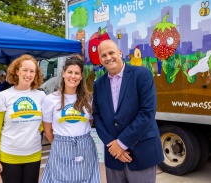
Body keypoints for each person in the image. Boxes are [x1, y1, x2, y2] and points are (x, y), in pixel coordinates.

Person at [92, 40, 164, 183]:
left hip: (142, 152)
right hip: (114, 156)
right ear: (100, 60)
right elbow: (97, 116)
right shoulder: (98, 84)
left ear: (119, 53)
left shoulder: (142, 75)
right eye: (103, 55)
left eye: (111, 53)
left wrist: (122, 143)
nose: (108, 57)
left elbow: (147, 112)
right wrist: (113, 145)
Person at [41, 57, 101, 183]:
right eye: (70, 72)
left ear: (81, 76)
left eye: (77, 73)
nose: (73, 76)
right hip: (60, 148)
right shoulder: (50, 99)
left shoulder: (88, 99)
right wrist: (62, 144)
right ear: (63, 73)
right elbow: (48, 130)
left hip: (85, 147)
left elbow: (88, 123)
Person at [0, 54, 46, 183]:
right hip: (9, 156)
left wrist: (40, 128)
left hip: (33, 156)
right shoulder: (4, 96)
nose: (28, 74)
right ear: (17, 71)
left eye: (32, 71)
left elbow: (46, 118)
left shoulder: (41, 95)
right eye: (25, 70)